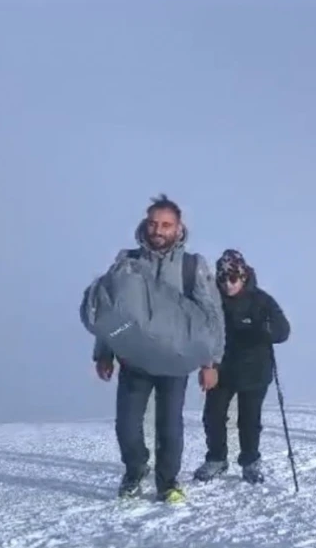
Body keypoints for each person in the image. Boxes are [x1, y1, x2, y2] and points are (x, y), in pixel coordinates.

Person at [85, 195, 225, 503]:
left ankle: (167, 482)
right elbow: (112, 311)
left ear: (178, 229)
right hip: (134, 360)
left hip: (176, 362)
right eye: (153, 223)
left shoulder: (192, 266)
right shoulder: (127, 262)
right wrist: (104, 352)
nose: (158, 230)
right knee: (126, 426)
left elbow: (213, 315)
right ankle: (135, 469)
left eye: (165, 225)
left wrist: (210, 362)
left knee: (170, 428)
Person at [193, 250, 291, 484]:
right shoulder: (212, 303)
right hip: (221, 370)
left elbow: (283, 331)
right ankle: (216, 459)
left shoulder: (262, 300)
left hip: (255, 370)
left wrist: (265, 329)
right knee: (213, 416)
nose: (227, 284)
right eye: (222, 279)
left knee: (249, 420)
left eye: (233, 278)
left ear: (243, 276)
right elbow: (200, 333)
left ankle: (250, 462)